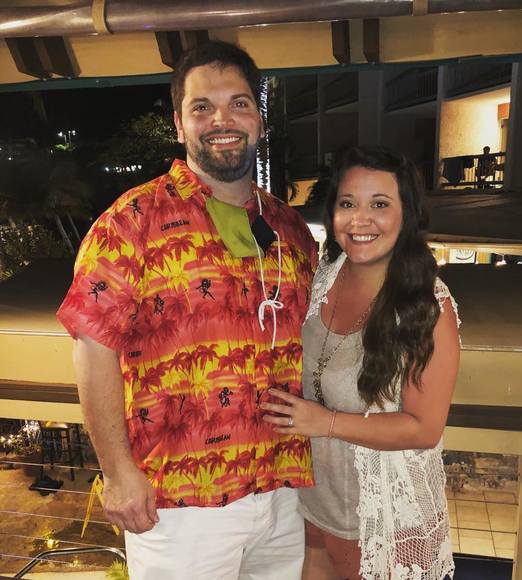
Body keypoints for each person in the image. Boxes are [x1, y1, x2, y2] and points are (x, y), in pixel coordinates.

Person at [57, 41, 318, 580]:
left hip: (283, 489)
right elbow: (92, 346)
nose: (222, 120)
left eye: (238, 103)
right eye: (203, 107)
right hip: (181, 505)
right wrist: (117, 472)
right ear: (179, 124)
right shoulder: (132, 220)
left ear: (259, 119)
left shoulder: (289, 227)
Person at [261, 146, 461, 579]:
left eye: (380, 205)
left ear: (407, 214)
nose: (360, 220)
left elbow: (424, 429)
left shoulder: (426, 307)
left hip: (379, 518)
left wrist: (324, 423)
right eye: (348, 203)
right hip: (314, 501)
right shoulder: (324, 275)